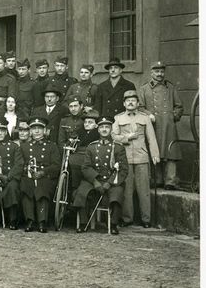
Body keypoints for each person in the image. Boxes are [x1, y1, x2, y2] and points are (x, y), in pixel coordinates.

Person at [112, 90, 160, 228]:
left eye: (133, 100)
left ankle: (146, 219)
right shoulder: (118, 118)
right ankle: (127, 219)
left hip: (142, 157)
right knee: (127, 190)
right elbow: (114, 136)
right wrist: (127, 138)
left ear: (138, 103)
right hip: (125, 158)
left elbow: (151, 138)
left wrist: (155, 155)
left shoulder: (144, 118)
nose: (131, 102)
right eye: (128, 101)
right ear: (124, 103)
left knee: (143, 190)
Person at [73, 116, 129, 235]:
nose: (104, 129)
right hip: (94, 180)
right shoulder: (91, 147)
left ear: (111, 129)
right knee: (82, 192)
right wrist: (95, 182)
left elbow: (123, 169)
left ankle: (113, 224)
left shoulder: (118, 147)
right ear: (98, 130)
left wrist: (110, 182)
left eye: (107, 127)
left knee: (117, 194)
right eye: (102, 127)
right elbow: (86, 167)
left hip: (111, 180)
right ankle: (83, 222)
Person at [137, 61, 184, 190]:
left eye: (162, 71)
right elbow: (140, 107)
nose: (159, 74)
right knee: (154, 149)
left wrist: (172, 117)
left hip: (168, 125)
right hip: (153, 125)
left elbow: (179, 106)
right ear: (151, 73)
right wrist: (148, 115)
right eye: (156, 71)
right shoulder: (144, 88)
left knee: (170, 152)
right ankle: (157, 180)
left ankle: (170, 181)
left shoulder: (170, 87)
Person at [19, 117, 61, 233]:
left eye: (39, 128)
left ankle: (42, 221)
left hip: (45, 176)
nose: (37, 131)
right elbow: (20, 164)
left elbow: (56, 165)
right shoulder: (24, 146)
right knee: (26, 186)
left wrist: (43, 172)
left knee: (42, 187)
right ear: (30, 131)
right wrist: (28, 171)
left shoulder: (51, 146)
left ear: (45, 130)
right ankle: (30, 220)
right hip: (29, 175)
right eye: (34, 129)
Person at [0, 118, 24, 229]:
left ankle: (12, 219)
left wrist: (8, 177)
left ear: (6, 131)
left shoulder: (14, 146)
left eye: (3, 130)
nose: (0, 133)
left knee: (12, 187)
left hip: (9, 176)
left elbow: (19, 164)